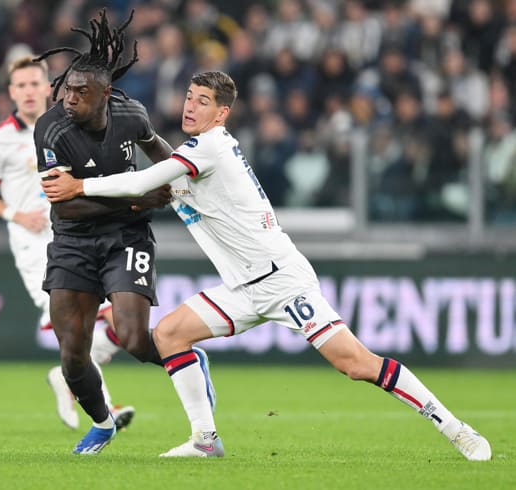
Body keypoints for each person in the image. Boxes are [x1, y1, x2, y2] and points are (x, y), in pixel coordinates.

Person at [41, 71, 492, 461]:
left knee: (355, 364)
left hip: (280, 280)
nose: (191, 107)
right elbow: (156, 181)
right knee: (171, 335)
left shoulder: (209, 148)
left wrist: (80, 183)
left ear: (222, 114)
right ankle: (204, 440)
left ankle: (455, 428)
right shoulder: (194, 154)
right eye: (188, 98)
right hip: (241, 286)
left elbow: (142, 179)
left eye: (203, 102)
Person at [33, 10, 216, 455]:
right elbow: (67, 204)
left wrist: (174, 183)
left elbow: (164, 155)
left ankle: (188, 359)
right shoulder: (50, 128)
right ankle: (103, 423)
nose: (69, 99)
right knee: (72, 358)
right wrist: (136, 197)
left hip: (126, 238)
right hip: (74, 241)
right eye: (67, 90)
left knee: (135, 339)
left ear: (105, 94)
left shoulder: (131, 114)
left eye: (80, 92)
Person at [0, 55, 135, 433]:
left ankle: (67, 378)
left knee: (121, 322)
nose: (28, 92)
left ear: (49, 88)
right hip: (33, 245)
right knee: (72, 327)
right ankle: (105, 406)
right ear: (12, 92)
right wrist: (16, 214)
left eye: (34, 84)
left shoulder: (70, 125)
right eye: (21, 86)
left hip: (79, 234)